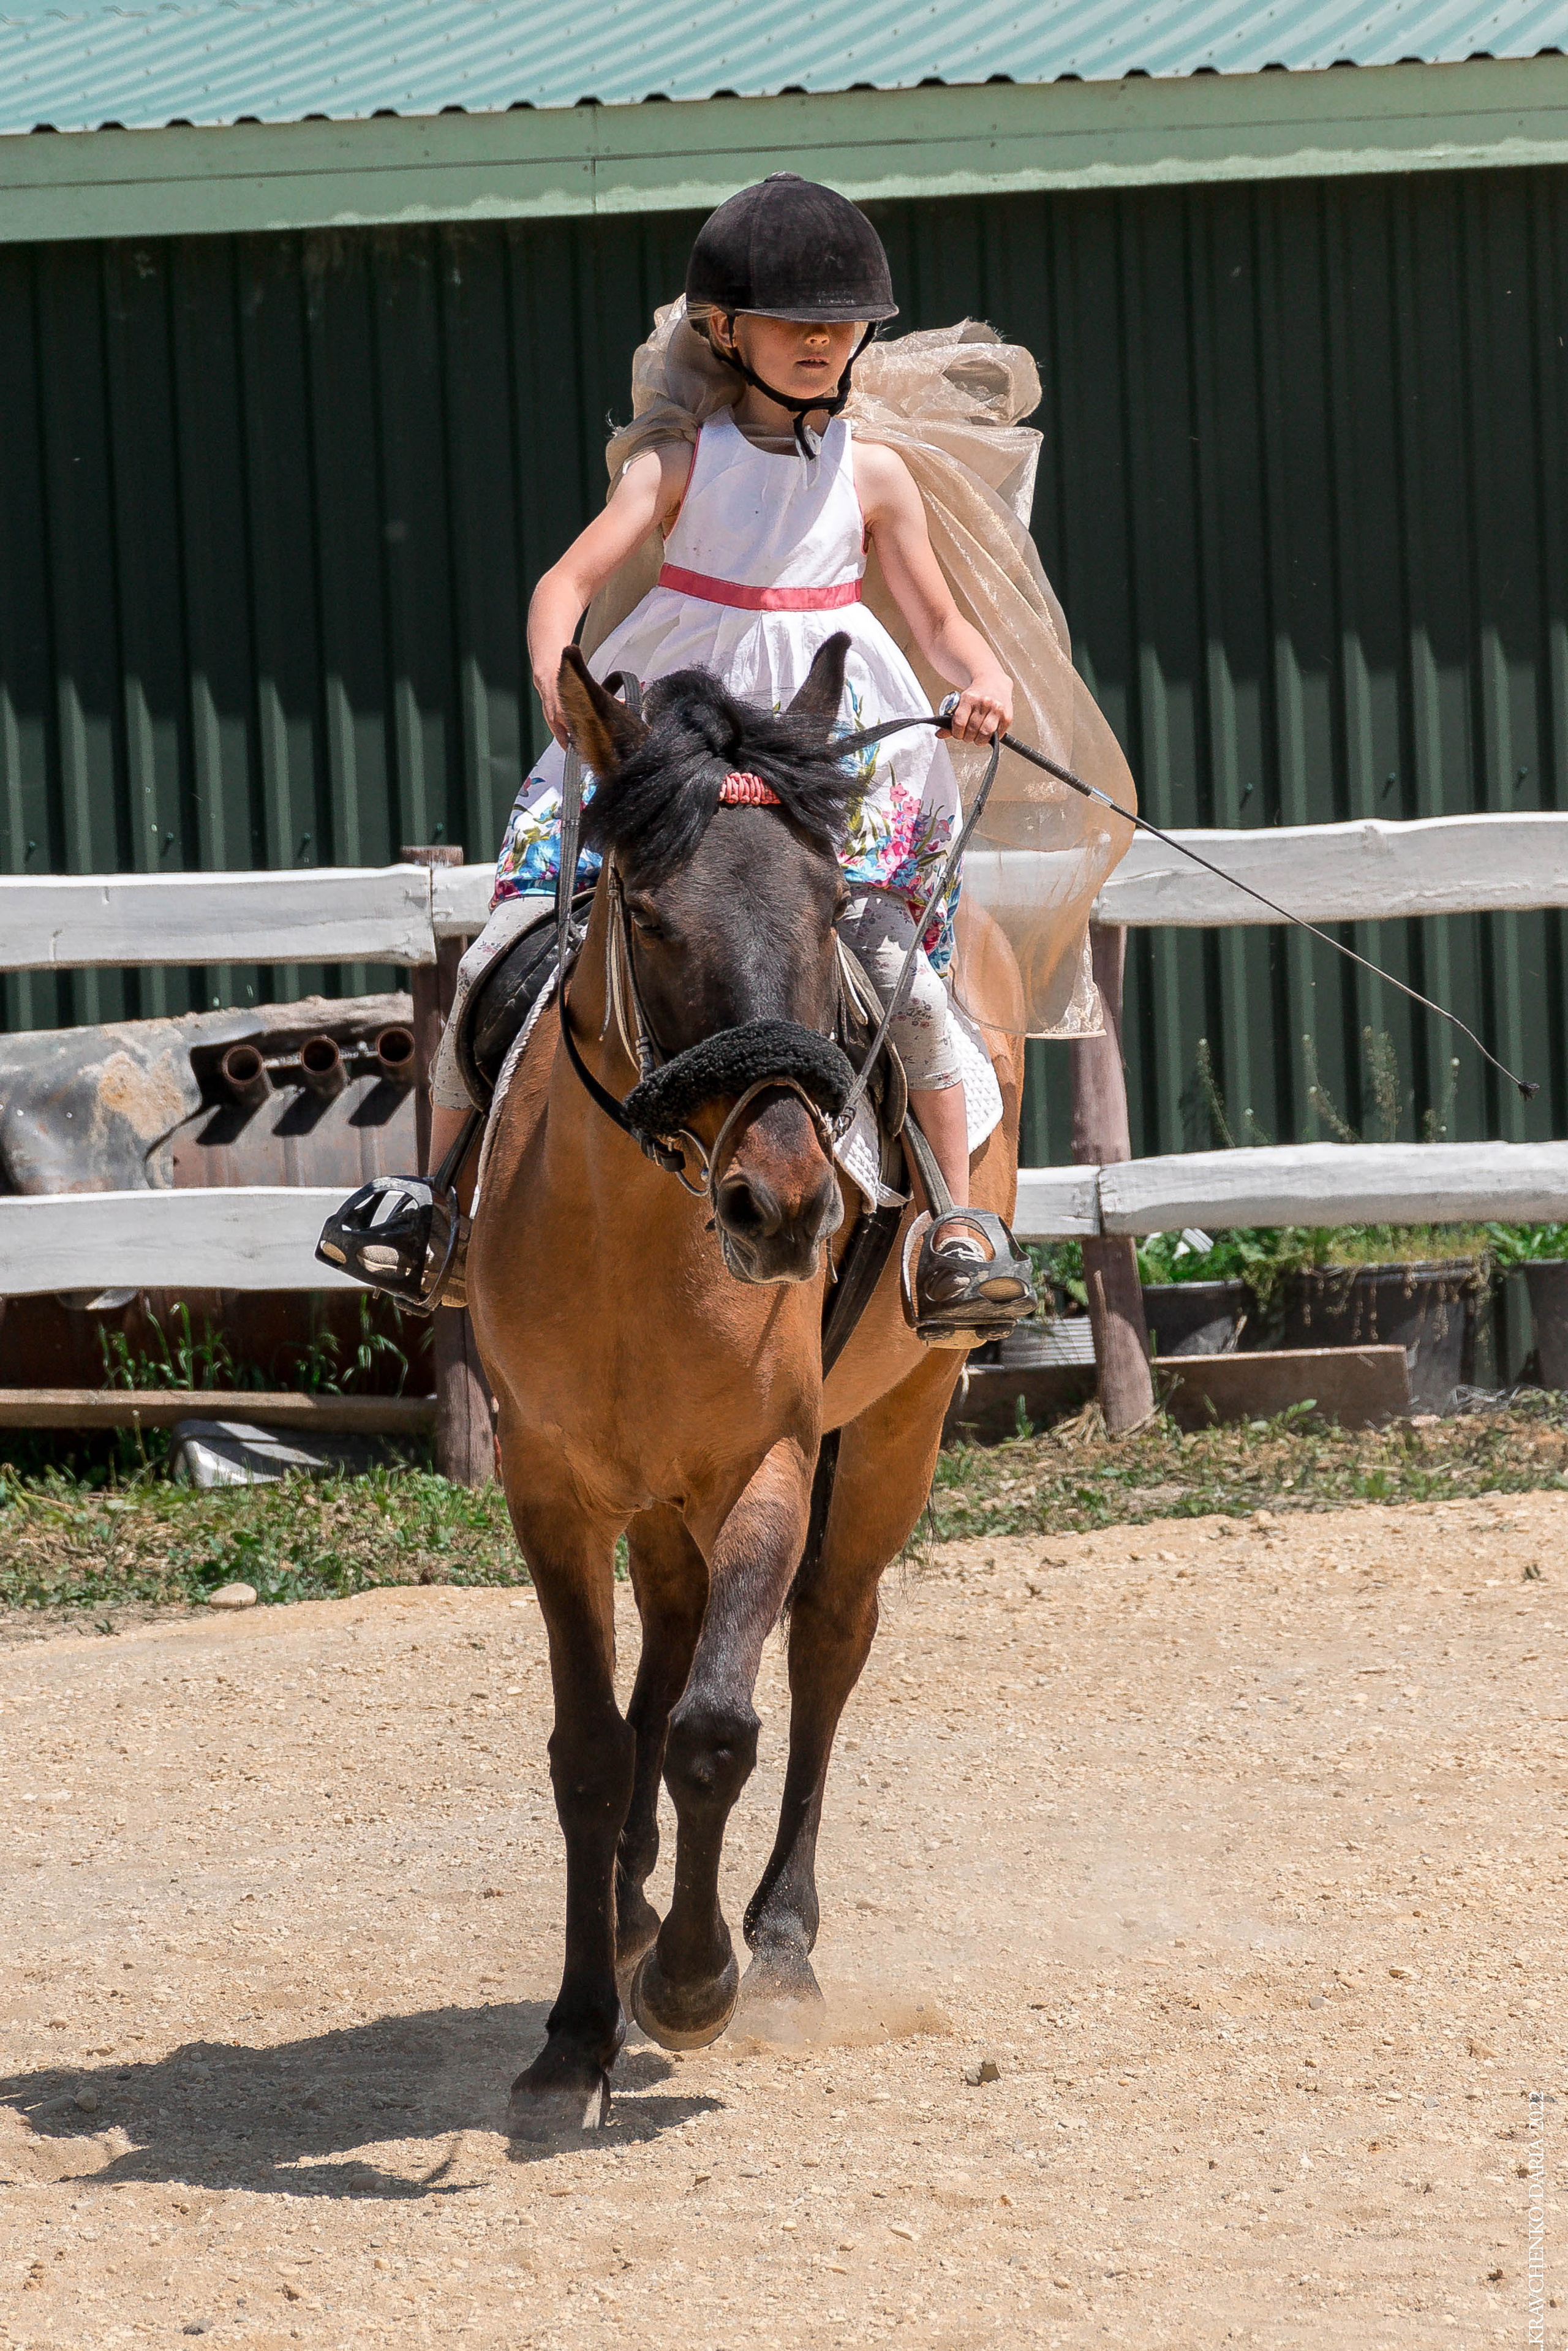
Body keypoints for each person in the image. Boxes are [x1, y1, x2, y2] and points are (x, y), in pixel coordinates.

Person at [329, 175, 1040, 1338]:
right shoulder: (676, 465)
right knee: (508, 943)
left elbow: (945, 619)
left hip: (822, 749)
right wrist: (564, 674)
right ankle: (433, 1200)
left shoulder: (876, 476)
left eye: (840, 322)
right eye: (792, 320)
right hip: (674, 734)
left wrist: (984, 681)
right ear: (722, 330)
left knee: (897, 969)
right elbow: (564, 582)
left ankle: (954, 1226)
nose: (821, 341)